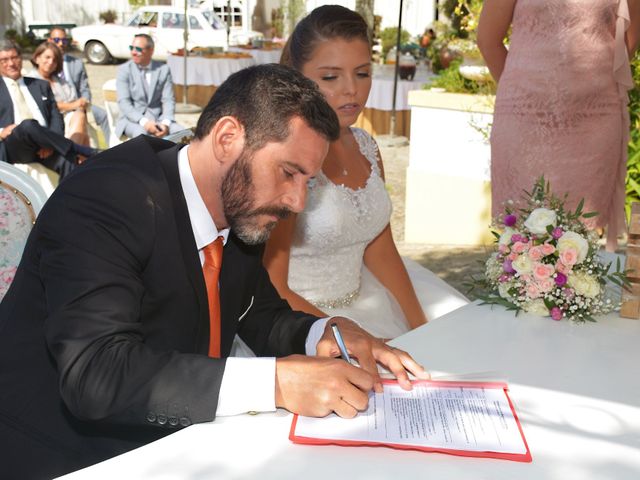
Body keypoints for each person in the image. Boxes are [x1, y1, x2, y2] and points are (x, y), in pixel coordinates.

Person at [0, 63, 428, 479]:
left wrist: (327, 332)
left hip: (183, 441)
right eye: (288, 173)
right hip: (68, 454)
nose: (297, 202)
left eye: (308, 182)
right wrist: (277, 381)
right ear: (227, 138)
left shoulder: (239, 204)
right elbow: (97, 374)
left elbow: (257, 312)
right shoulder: (105, 199)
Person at [264, 5, 469, 340]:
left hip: (371, 304)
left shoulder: (367, 147)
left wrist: (420, 329)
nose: (351, 90)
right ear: (297, 78)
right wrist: (362, 342)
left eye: (362, 73)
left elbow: (380, 247)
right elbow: (272, 286)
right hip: (305, 323)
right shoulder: (285, 163)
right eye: (331, 77)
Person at [477, 0, 640, 250]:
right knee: (524, 232)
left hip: (594, 120)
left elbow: (629, 39)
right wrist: (525, 92)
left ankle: (579, 287)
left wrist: (591, 84)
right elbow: (488, 40)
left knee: (582, 236)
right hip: (525, 120)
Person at [0, 40, 98, 179]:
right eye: (4, 60)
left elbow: (56, 117)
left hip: (44, 145)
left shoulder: (40, 85)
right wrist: (1, 132)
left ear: (21, 58)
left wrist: (50, 144)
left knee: (69, 161)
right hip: (15, 146)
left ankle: (67, 200)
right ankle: (78, 148)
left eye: (14, 58)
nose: (11, 63)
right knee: (28, 124)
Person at [48, 27, 111, 147]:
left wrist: (84, 102)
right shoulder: (48, 63)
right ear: (50, 40)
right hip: (60, 105)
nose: (61, 44)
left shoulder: (76, 62)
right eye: (57, 40)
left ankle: (110, 151)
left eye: (64, 40)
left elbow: (85, 88)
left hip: (80, 103)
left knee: (103, 115)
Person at [116, 33, 184, 139]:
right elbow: (124, 103)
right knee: (142, 135)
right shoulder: (124, 70)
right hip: (133, 120)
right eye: (131, 48)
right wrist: (145, 122)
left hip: (159, 119)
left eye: (138, 49)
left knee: (183, 133)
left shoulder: (163, 70)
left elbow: (168, 100)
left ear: (151, 50)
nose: (133, 52)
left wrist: (165, 123)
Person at [30, 41, 91, 146]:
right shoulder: (31, 81)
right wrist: (73, 105)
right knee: (80, 120)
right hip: (48, 122)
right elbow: (46, 106)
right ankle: (73, 154)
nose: (50, 62)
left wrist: (76, 104)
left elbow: (74, 99)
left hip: (69, 120)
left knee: (80, 118)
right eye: (47, 57)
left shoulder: (59, 81)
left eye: (54, 60)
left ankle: (75, 154)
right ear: (37, 58)